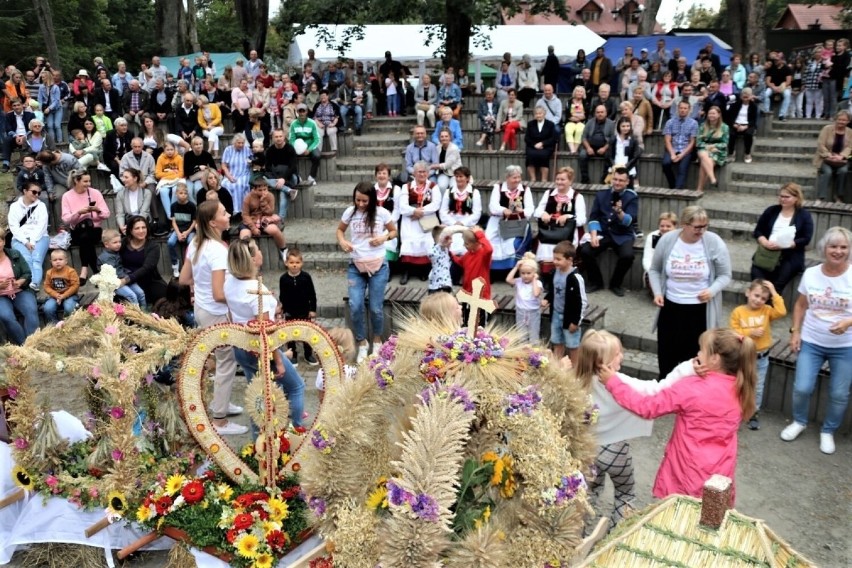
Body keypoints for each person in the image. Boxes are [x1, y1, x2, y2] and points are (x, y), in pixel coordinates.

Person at [598, 328, 756, 504]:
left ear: (715, 358)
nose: (697, 354)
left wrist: (613, 382)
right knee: (708, 523)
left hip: (687, 473)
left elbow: (647, 407)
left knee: (678, 519)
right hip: (720, 476)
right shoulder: (742, 388)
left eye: (701, 350)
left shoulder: (692, 388)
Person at [782, 227, 852, 455]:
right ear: (824, 248)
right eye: (833, 246)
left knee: (839, 394)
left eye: (843, 247)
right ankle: (799, 421)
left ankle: (828, 430)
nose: (838, 251)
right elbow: (801, 305)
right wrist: (795, 332)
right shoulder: (811, 273)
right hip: (812, 341)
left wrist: (848, 323)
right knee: (802, 387)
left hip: (845, 346)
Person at [179, 201, 247, 435]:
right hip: (216, 312)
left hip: (202, 308)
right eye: (223, 213)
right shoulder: (218, 250)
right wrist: (242, 300)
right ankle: (219, 420)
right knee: (227, 362)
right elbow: (220, 294)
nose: (228, 215)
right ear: (212, 222)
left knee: (222, 360)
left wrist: (203, 286)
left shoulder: (196, 243)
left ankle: (223, 402)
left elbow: (184, 278)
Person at [224, 238, 305, 431]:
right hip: (261, 350)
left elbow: (229, 314)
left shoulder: (229, 282)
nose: (261, 252)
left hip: (242, 346)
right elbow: (266, 330)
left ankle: (257, 442)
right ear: (251, 259)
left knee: (257, 394)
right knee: (296, 387)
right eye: (258, 250)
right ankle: (296, 432)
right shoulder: (257, 290)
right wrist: (278, 360)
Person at [649, 206, 732, 379]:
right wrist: (657, 292)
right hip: (671, 307)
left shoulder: (714, 242)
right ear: (684, 225)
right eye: (697, 227)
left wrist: (712, 290)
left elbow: (725, 275)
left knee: (694, 361)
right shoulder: (668, 240)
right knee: (667, 358)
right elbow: (655, 270)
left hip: (700, 311)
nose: (701, 231)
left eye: (705, 226)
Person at [337, 182, 397, 363]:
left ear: (372, 200)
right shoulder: (350, 212)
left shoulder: (382, 213)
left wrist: (384, 237)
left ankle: (377, 340)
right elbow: (340, 230)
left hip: (378, 265)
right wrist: (342, 242)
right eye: (357, 200)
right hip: (356, 265)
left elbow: (394, 231)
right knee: (355, 306)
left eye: (364, 201)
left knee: (375, 308)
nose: (361, 204)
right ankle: (362, 342)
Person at [730, 279, 787, 431]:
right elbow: (733, 333)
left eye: (763, 298)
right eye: (756, 295)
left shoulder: (767, 311)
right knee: (739, 384)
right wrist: (749, 333)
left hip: (762, 357)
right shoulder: (738, 312)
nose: (759, 300)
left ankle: (753, 413)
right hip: (744, 356)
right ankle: (734, 411)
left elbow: (781, 311)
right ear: (748, 293)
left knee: (757, 387)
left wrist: (774, 293)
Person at [579, 168, 638, 298]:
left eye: (621, 180)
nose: (617, 183)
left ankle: (615, 284)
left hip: (623, 234)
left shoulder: (631, 197)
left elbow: (629, 221)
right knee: (585, 251)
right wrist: (593, 235)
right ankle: (596, 282)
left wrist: (620, 212)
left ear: (627, 182)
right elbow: (594, 217)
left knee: (628, 256)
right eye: (615, 179)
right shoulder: (601, 194)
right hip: (604, 233)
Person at [750, 182, 814, 295]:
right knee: (758, 282)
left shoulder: (804, 215)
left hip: (790, 255)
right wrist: (764, 241)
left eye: (787, 197)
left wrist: (786, 245)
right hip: (767, 253)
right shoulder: (771, 211)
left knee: (776, 286)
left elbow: (806, 238)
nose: (782, 199)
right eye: (781, 196)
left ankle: (770, 309)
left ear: (796, 198)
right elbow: (758, 231)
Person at [61, 170, 110, 284]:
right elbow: (66, 219)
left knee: (86, 237)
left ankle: (84, 270)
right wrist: (79, 213)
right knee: (85, 237)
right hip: (77, 230)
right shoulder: (67, 196)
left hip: (94, 229)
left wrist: (97, 210)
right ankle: (96, 272)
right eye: (85, 181)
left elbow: (106, 214)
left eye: (89, 181)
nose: (88, 184)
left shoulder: (95, 193)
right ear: (76, 181)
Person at [534, 166, 585, 274]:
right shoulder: (548, 193)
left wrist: (568, 217)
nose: (559, 182)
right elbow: (536, 212)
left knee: (564, 247)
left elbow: (582, 219)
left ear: (570, 181)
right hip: (549, 232)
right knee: (544, 245)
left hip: (567, 234)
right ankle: (547, 276)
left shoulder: (577, 197)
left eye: (563, 179)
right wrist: (543, 213)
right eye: (557, 179)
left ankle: (565, 275)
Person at [398, 162, 441, 284]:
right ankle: (406, 271)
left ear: (427, 173)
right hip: (410, 220)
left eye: (424, 171)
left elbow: (436, 204)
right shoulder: (406, 187)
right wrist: (413, 211)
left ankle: (424, 271)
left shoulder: (433, 186)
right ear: (414, 173)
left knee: (426, 242)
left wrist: (420, 212)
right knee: (408, 242)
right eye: (419, 171)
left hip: (426, 220)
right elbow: (402, 206)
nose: (422, 174)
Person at [443, 225, 493, 327]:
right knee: (466, 322)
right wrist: (449, 253)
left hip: (481, 296)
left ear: (477, 242)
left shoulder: (484, 255)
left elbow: (489, 249)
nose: (464, 245)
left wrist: (480, 234)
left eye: (467, 243)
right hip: (467, 294)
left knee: (480, 325)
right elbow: (459, 261)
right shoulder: (468, 254)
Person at [485, 165, 534, 270]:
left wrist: (522, 211)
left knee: (510, 243)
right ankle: (492, 269)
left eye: (519, 177)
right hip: (497, 221)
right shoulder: (497, 188)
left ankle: (509, 268)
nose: (517, 180)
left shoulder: (525, 189)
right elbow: (492, 206)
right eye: (514, 177)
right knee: (488, 241)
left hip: (516, 223)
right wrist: (503, 210)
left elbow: (530, 209)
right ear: (507, 177)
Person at [278, 248, 318, 366]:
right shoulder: (283, 279)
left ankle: (308, 354)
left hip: (304, 310)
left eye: (297, 263)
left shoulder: (306, 277)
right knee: (290, 334)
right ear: (286, 263)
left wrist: (312, 309)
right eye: (291, 263)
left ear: (301, 263)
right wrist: (282, 310)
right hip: (290, 311)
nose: (294, 265)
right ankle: (293, 354)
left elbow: (312, 294)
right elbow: (282, 295)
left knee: (306, 333)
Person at [7, 181, 49, 290]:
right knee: (26, 258)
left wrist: (33, 241)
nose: (36, 195)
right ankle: (30, 282)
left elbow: (42, 226)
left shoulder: (41, 206)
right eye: (34, 192)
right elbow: (14, 226)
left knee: (36, 258)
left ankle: (34, 283)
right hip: (20, 238)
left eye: (39, 193)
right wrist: (25, 242)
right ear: (25, 191)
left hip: (40, 237)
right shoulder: (15, 206)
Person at [239, 177, 287, 261]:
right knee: (244, 236)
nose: (263, 192)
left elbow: (270, 212)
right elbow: (245, 215)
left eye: (265, 189)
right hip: (250, 221)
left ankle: (283, 249)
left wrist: (263, 201)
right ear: (254, 189)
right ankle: (246, 258)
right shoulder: (248, 198)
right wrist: (253, 228)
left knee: (274, 230)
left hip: (264, 219)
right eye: (260, 190)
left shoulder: (270, 196)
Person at [439, 166, 481, 259]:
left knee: (466, 241)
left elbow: (477, 213)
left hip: (467, 224)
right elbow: (443, 211)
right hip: (450, 223)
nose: (458, 179)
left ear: (467, 178)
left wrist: (463, 223)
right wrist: (454, 223)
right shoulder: (448, 192)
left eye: (461, 176)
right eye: (456, 176)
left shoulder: (474, 192)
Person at [99, 229, 147, 308]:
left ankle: (145, 311)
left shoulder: (115, 252)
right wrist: (127, 277)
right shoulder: (106, 258)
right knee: (132, 296)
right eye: (115, 242)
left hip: (123, 278)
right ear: (106, 244)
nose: (118, 244)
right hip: (114, 283)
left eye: (119, 242)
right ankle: (137, 315)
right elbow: (114, 272)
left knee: (141, 293)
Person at [0, 245, 38, 345]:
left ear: (3, 241)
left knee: (31, 310)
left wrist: (21, 281)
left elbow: (27, 273)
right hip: (1, 296)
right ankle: (24, 346)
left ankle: (33, 343)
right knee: (6, 316)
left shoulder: (14, 254)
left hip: (20, 290)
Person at [814, 109, 852, 203]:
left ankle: (839, 197)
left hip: (842, 160)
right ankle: (820, 198)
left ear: (848, 121)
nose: (841, 122)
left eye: (844, 120)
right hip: (825, 158)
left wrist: (842, 156)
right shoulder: (826, 129)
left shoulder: (850, 132)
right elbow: (821, 144)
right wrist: (829, 155)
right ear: (836, 119)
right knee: (827, 172)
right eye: (839, 119)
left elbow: (850, 147)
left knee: (843, 171)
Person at [506, 252, 543, 343]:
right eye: (523, 273)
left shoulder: (537, 283)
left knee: (534, 335)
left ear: (534, 273)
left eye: (529, 273)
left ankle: (534, 353)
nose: (525, 276)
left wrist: (534, 279)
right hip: (521, 311)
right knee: (521, 335)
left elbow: (536, 293)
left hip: (533, 312)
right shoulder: (518, 281)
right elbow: (508, 280)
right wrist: (516, 267)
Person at [661, 100, 699, 190]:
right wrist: (672, 154)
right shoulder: (670, 122)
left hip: (686, 150)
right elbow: (667, 140)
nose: (683, 110)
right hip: (672, 148)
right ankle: (672, 185)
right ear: (677, 109)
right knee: (665, 164)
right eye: (681, 108)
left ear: (689, 110)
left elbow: (692, 142)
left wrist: (682, 155)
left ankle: (678, 189)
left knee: (682, 168)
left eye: (685, 108)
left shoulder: (694, 123)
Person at [578, 105, 615, 184]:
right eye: (598, 112)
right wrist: (588, 148)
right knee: (582, 155)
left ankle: (604, 179)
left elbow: (612, 139)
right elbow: (583, 137)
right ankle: (585, 179)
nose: (600, 114)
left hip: (604, 147)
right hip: (590, 146)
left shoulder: (611, 123)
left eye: (602, 112)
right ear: (595, 113)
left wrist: (604, 148)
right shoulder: (589, 122)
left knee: (609, 155)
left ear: (606, 113)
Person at [695, 106, 729, 191]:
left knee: (704, 162)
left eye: (713, 113)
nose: (711, 115)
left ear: (718, 115)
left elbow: (725, 143)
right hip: (704, 149)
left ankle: (699, 189)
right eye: (710, 113)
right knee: (703, 153)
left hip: (717, 151)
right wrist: (707, 147)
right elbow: (698, 142)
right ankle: (712, 178)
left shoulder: (724, 127)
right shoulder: (703, 126)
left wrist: (714, 147)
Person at [42, 249, 80, 323]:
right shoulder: (49, 273)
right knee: (48, 308)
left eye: (60, 259)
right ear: (51, 262)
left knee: (69, 308)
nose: (57, 262)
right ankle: (55, 325)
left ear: (66, 261)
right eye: (55, 260)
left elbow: (75, 286)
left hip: (70, 295)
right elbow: (46, 286)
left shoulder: (70, 271)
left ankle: (68, 323)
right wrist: (56, 295)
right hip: (55, 296)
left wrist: (64, 296)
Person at [642, 211, 678, 290]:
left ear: (675, 226)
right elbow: (647, 259)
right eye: (662, 226)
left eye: (668, 226)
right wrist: (653, 273)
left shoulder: (680, 238)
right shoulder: (653, 236)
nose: (665, 229)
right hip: (656, 271)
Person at [168, 183, 197, 277]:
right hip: (178, 230)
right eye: (181, 193)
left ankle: (189, 265)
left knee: (190, 242)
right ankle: (175, 264)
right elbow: (173, 222)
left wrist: (187, 232)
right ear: (176, 194)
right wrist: (178, 233)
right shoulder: (173, 206)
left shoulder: (192, 206)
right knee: (170, 242)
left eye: (185, 193)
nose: (183, 195)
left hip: (189, 230)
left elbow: (194, 222)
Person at [220, 133, 253, 215]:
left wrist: (251, 162)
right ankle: (229, 210)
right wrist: (229, 176)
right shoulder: (228, 150)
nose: (241, 145)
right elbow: (224, 165)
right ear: (234, 142)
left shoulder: (247, 149)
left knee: (239, 185)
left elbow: (252, 161)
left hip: (244, 173)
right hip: (231, 173)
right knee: (224, 184)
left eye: (242, 143)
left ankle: (240, 211)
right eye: (239, 143)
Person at [289, 103, 321, 185]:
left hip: (310, 146)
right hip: (297, 146)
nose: (302, 113)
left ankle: (312, 177)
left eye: (303, 111)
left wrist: (309, 149)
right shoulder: (293, 124)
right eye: (300, 111)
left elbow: (317, 139)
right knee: (290, 156)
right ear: (297, 112)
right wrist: (296, 149)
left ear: (306, 112)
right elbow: (291, 139)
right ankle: (297, 177)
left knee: (317, 156)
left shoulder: (312, 123)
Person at [606, 117, 643, 187]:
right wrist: (614, 165)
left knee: (628, 189)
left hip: (628, 167)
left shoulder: (633, 140)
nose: (625, 128)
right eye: (623, 126)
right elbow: (609, 154)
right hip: (615, 167)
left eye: (627, 126)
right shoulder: (613, 139)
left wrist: (626, 166)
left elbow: (635, 156)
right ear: (619, 127)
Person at [725, 87, 757, 163]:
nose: (745, 97)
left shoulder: (753, 106)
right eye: (743, 95)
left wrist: (745, 126)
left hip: (747, 125)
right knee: (731, 134)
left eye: (747, 95)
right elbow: (729, 117)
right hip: (736, 124)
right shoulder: (735, 105)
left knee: (748, 134)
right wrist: (734, 124)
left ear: (750, 96)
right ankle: (731, 153)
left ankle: (747, 153)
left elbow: (753, 120)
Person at [524, 106, 556, 182]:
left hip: (546, 146)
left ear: (544, 114)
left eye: (540, 113)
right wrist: (534, 144)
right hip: (533, 146)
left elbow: (553, 138)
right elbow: (527, 138)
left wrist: (543, 143)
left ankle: (544, 179)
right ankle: (533, 178)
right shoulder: (530, 124)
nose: (538, 115)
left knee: (543, 155)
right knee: (530, 155)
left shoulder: (550, 124)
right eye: (537, 114)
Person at [763, 55, 792, 121]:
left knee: (787, 95)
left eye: (777, 60)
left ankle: (782, 115)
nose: (775, 61)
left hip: (784, 87)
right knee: (766, 94)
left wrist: (780, 88)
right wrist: (773, 87)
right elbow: (767, 81)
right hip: (772, 87)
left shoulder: (787, 69)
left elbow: (788, 81)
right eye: (774, 60)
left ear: (781, 60)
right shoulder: (771, 68)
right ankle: (767, 112)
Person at [428, 225, 453, 295]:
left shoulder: (446, 249)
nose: (452, 241)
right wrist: (440, 244)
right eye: (448, 239)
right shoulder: (434, 250)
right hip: (436, 284)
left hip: (446, 283)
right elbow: (430, 254)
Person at [563, 86, 587, 155]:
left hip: (581, 122)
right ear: (574, 92)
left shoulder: (586, 102)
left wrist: (575, 115)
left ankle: (575, 150)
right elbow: (568, 114)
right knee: (568, 130)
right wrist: (579, 116)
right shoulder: (569, 101)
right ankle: (572, 150)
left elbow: (586, 115)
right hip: (570, 121)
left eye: (581, 92)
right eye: (578, 91)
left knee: (580, 130)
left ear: (583, 93)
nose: (579, 93)